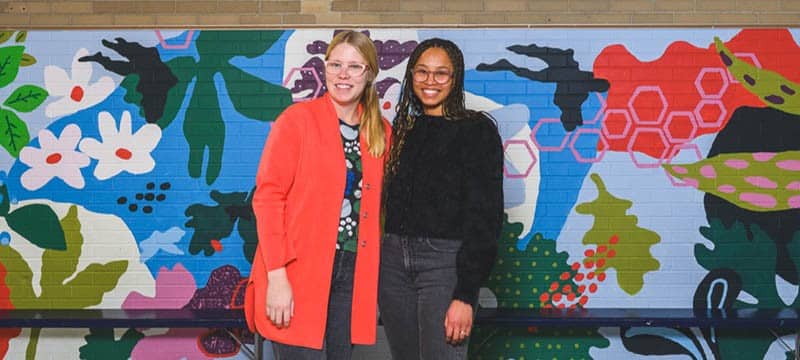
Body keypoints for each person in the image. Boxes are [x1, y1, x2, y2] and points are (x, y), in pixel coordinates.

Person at [244, 30, 391, 360]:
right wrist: (277, 277)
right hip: (297, 270)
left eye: (354, 66)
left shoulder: (381, 133)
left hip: (353, 273)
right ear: (324, 69)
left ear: (369, 73)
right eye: (335, 64)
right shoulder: (296, 121)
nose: (343, 74)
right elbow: (268, 199)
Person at [379, 38, 504, 359]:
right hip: (391, 263)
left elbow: (485, 217)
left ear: (456, 78)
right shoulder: (402, 129)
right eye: (421, 72)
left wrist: (465, 294)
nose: (430, 81)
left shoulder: (477, 130)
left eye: (441, 73)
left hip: (444, 265)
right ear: (410, 76)